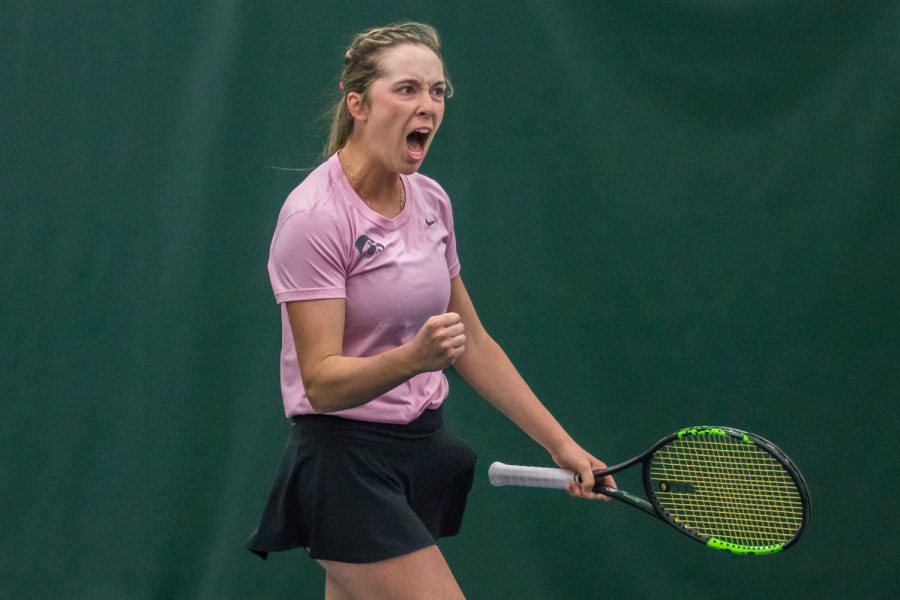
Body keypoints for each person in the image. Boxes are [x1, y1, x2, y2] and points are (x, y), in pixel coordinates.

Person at [246, 21, 616, 600]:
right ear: (358, 103)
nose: (428, 105)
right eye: (408, 89)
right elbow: (321, 383)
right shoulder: (314, 217)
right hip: (345, 463)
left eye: (438, 91)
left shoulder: (430, 201)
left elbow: (472, 341)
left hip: (416, 447)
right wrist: (412, 358)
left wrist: (561, 445)